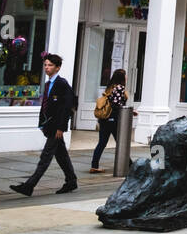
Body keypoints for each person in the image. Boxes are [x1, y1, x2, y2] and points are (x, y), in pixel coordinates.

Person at [10, 53, 78, 196]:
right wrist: (42, 123)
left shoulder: (61, 84)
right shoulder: (48, 84)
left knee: (45, 157)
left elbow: (66, 107)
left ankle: (29, 186)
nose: (47, 68)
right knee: (61, 155)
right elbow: (45, 106)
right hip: (49, 125)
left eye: (50, 65)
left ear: (57, 68)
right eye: (45, 65)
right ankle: (71, 181)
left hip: (56, 127)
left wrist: (61, 127)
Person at [90, 69, 127, 173]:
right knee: (121, 142)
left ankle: (94, 165)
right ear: (122, 77)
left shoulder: (110, 87)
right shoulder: (120, 88)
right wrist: (128, 110)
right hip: (113, 119)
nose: (126, 77)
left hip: (104, 119)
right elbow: (116, 104)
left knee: (102, 142)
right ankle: (129, 164)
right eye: (125, 75)